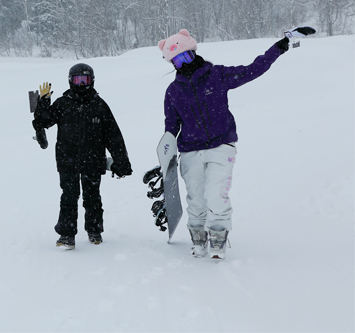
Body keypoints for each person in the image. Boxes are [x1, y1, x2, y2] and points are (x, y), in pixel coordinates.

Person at [158, 28, 301, 260]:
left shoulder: (217, 75)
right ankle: (198, 236)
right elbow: (171, 126)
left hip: (221, 145)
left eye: (185, 56)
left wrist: (280, 46)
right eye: (176, 60)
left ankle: (218, 235)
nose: (183, 64)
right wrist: (165, 153)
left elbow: (254, 69)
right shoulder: (173, 91)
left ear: (193, 52)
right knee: (196, 198)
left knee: (216, 195)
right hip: (190, 151)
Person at [32, 63, 133, 249]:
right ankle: (66, 235)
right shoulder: (62, 103)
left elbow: (113, 136)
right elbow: (43, 122)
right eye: (78, 80)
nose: (81, 84)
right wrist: (43, 103)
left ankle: (94, 231)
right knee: (69, 197)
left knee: (93, 197)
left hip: (93, 160)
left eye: (84, 80)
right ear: (70, 81)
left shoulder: (99, 105)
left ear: (92, 81)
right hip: (67, 160)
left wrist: (122, 161)